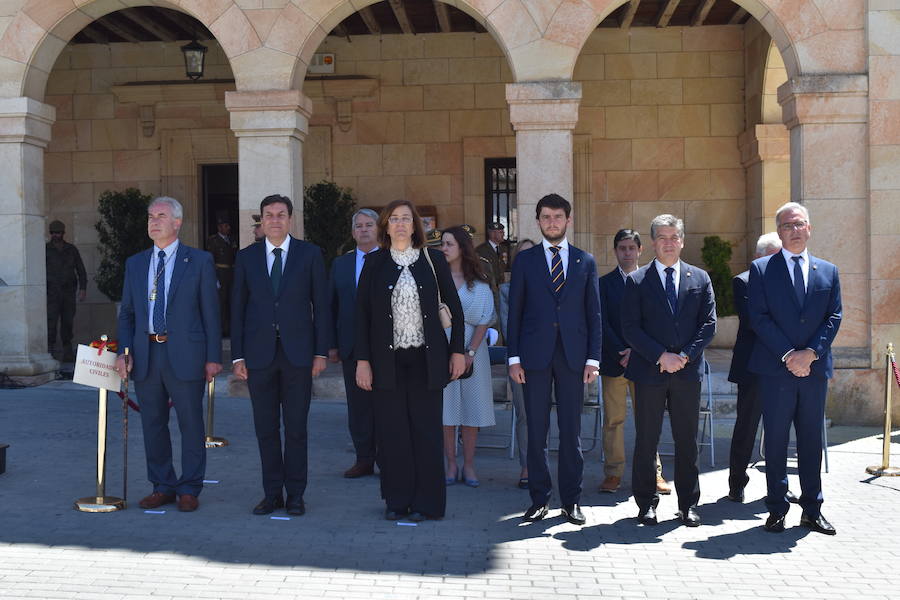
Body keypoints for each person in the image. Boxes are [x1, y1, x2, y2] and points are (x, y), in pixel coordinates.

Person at [355, 199, 465, 521]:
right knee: (393, 433)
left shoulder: (433, 260)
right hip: (386, 362)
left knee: (426, 431)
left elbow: (454, 310)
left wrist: (457, 351)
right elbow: (360, 317)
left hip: (425, 360)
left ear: (415, 225)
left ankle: (427, 504)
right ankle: (397, 500)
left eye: (406, 218)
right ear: (385, 226)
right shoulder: (374, 263)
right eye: (394, 219)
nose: (400, 224)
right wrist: (363, 361)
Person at [115, 197, 222, 513]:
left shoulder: (198, 261)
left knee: (191, 424)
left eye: (161, 216)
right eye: (150, 216)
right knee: (153, 424)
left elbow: (211, 313)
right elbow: (127, 314)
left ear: (177, 222)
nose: (154, 221)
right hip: (147, 354)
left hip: (186, 354)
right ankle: (162, 485)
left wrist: (213, 356)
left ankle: (189, 488)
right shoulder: (135, 263)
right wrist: (124, 352)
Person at [231, 194, 330, 517]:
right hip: (259, 356)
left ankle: (296, 495)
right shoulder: (246, 258)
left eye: (281, 214)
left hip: (298, 355)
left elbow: (322, 306)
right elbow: (237, 309)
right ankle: (272, 493)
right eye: (269, 215)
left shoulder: (310, 254)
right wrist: (237, 356)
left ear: (290, 218)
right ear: (261, 220)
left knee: (297, 428)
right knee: (266, 428)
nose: (275, 220)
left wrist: (320, 352)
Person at [507, 193, 602, 527]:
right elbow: (514, 313)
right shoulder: (525, 261)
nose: (552, 222)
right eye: (545, 217)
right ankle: (538, 499)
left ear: (568, 220)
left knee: (571, 432)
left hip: (574, 358)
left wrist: (593, 359)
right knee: (536, 429)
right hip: (533, 357)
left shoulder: (585, 261)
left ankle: (572, 501)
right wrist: (513, 359)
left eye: (558, 217)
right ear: (538, 221)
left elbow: (594, 315)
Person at [748, 202, 841, 535]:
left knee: (810, 440)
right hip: (776, 369)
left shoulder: (828, 271)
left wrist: (811, 353)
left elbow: (834, 316)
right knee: (775, 440)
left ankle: (812, 509)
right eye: (788, 226)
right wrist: (790, 354)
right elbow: (758, 317)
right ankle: (776, 508)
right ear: (779, 232)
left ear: (809, 228)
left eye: (800, 224)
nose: (795, 230)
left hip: (814, 372)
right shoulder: (761, 270)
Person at [621, 214, 716, 527]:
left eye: (674, 237)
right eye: (662, 237)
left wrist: (684, 357)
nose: (668, 243)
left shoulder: (700, 278)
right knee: (647, 440)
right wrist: (660, 355)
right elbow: (630, 327)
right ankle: (646, 503)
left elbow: (709, 325)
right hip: (649, 372)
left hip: (687, 374)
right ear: (652, 243)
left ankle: (688, 504)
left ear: (682, 240)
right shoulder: (636, 280)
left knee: (687, 440)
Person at [597, 229, 669, 495]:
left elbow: (657, 323)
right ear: (615, 251)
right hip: (615, 362)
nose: (627, 253)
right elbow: (601, 322)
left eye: (631, 248)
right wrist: (622, 351)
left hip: (647, 362)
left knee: (648, 420)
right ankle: (613, 473)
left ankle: (654, 474)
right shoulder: (603, 284)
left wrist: (638, 352)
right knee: (614, 420)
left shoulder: (654, 281)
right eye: (622, 248)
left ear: (640, 250)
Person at [727, 232, 783, 502]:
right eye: (773, 257)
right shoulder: (743, 282)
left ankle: (779, 485)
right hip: (753, 368)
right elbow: (753, 322)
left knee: (779, 428)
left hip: (782, 367)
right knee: (747, 427)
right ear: (759, 257)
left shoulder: (789, 282)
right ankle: (737, 483)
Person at [440, 226, 497, 488]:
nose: (444, 248)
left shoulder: (480, 280)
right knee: (447, 410)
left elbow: (485, 320)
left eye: (449, 244)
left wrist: (470, 353)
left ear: (462, 247)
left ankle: (470, 464)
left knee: (472, 410)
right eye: (443, 244)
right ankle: (450, 463)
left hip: (475, 352)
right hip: (444, 351)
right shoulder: (437, 280)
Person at [328, 208, 380, 478]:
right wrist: (332, 344)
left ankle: (388, 459)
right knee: (358, 407)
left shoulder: (391, 260)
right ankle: (364, 459)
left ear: (378, 229)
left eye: (368, 225)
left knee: (385, 405)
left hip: (386, 348)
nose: (363, 229)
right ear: (352, 232)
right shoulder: (341, 264)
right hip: (350, 345)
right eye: (358, 226)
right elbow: (330, 306)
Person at [499, 239, 535, 489]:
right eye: (521, 256)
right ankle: (527, 466)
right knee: (525, 415)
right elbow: (507, 325)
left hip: (552, 360)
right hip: (520, 360)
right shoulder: (505, 290)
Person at [45, 220, 87, 362]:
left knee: (67, 322)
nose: (56, 235)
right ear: (51, 233)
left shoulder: (71, 249)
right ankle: (49, 351)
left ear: (63, 233)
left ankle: (67, 351)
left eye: (59, 232)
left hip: (68, 292)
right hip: (51, 293)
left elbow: (81, 270)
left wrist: (83, 289)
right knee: (51, 323)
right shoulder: (45, 249)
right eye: (54, 233)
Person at [206, 217, 237, 337]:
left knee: (231, 301)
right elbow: (210, 260)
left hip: (231, 274)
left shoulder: (231, 239)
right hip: (220, 274)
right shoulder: (213, 241)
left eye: (228, 225)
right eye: (225, 225)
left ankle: (228, 328)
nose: (228, 228)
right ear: (219, 227)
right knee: (221, 302)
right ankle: (221, 329)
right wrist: (214, 278)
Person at [475, 222, 509, 290]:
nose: (503, 234)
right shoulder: (481, 250)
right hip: (488, 287)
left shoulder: (504, 248)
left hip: (501, 286)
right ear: (492, 233)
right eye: (501, 232)